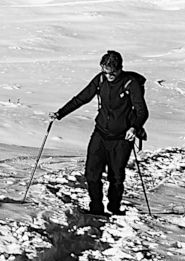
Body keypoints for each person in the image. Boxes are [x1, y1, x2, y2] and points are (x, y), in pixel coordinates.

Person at [50, 50, 149, 215]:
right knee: (92, 173)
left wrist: (134, 127)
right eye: (105, 71)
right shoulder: (100, 79)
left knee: (116, 177)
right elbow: (82, 98)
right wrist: (60, 113)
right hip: (101, 133)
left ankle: (114, 209)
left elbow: (142, 111)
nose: (109, 75)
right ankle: (96, 208)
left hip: (122, 137)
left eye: (112, 72)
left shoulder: (130, 83)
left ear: (119, 68)